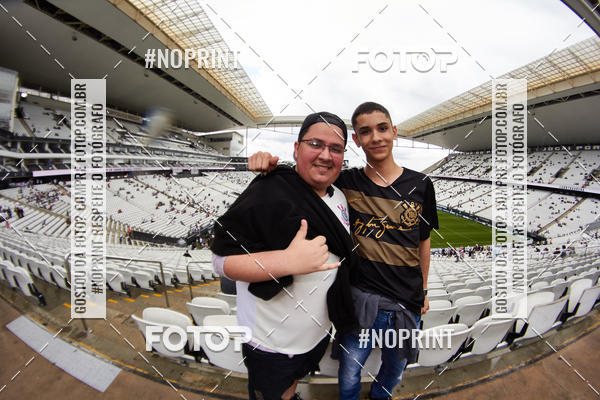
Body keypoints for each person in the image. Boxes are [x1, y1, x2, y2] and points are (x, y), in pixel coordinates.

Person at [249, 102, 438, 400]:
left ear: (394, 132)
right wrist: (271, 166)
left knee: (394, 370)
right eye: (366, 132)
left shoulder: (422, 184)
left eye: (382, 128)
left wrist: (424, 289)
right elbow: (307, 173)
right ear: (358, 141)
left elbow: (423, 241)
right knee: (349, 374)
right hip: (360, 301)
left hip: (407, 303)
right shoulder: (346, 182)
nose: (376, 137)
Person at [211, 112, 359, 400]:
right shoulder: (268, 190)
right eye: (315, 144)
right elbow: (220, 261)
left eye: (336, 148)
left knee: (292, 386)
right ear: (296, 148)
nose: (325, 155)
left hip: (316, 335)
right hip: (271, 343)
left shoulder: (340, 197)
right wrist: (287, 262)